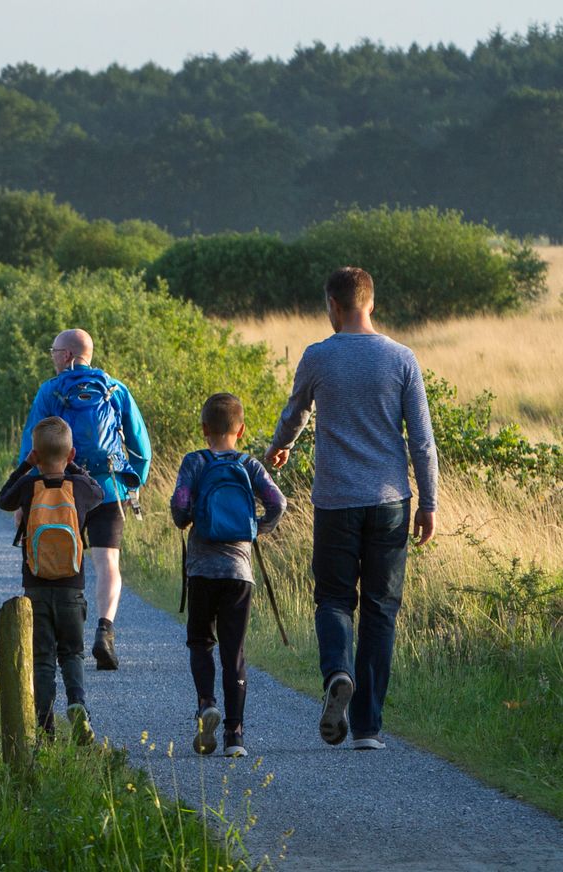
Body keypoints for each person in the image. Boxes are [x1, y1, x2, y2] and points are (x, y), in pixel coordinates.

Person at [266, 267, 438, 751]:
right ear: (371, 304)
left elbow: (295, 412)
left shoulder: (318, 356)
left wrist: (280, 446)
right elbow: (422, 441)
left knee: (334, 599)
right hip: (390, 502)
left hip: (335, 501)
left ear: (333, 306)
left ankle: (338, 673)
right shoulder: (402, 358)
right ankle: (367, 728)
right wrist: (429, 502)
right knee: (381, 609)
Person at [18, 328, 151, 671]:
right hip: (108, 489)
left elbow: (32, 444)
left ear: (67, 355)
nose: (52, 357)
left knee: (66, 558)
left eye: (54, 351)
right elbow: (140, 445)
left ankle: (67, 634)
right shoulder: (115, 389)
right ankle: (105, 630)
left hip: (63, 490)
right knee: (108, 563)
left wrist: (26, 492)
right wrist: (133, 482)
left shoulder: (50, 390)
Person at [169, 393, 286, 758]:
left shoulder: (195, 462)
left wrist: (186, 520)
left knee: (201, 642)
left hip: (202, 571)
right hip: (239, 573)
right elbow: (278, 502)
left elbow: (180, 505)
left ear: (204, 428)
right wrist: (255, 529)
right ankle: (235, 735)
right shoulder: (250, 465)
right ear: (242, 429)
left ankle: (206, 704)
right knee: (234, 651)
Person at [0, 416, 102, 744]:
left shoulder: (29, 487)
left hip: (36, 587)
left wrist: (26, 466)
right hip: (72, 587)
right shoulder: (79, 487)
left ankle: (45, 728)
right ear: (70, 454)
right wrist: (74, 466)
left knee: (42, 659)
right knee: (72, 653)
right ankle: (77, 703)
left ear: (36, 454)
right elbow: (99, 492)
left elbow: (3, 499)